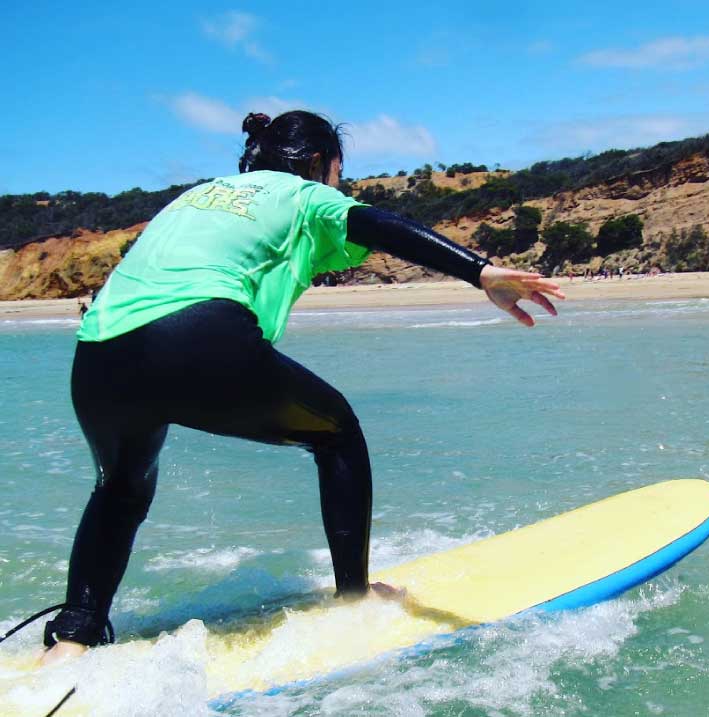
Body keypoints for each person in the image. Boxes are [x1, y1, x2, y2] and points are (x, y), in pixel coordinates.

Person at [41, 110, 564, 663]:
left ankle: (73, 637)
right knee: (336, 432)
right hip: (197, 336)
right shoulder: (302, 194)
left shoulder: (198, 196)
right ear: (319, 163)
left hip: (99, 354)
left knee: (120, 490)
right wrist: (480, 272)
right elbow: (374, 224)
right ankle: (355, 600)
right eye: (339, 172)